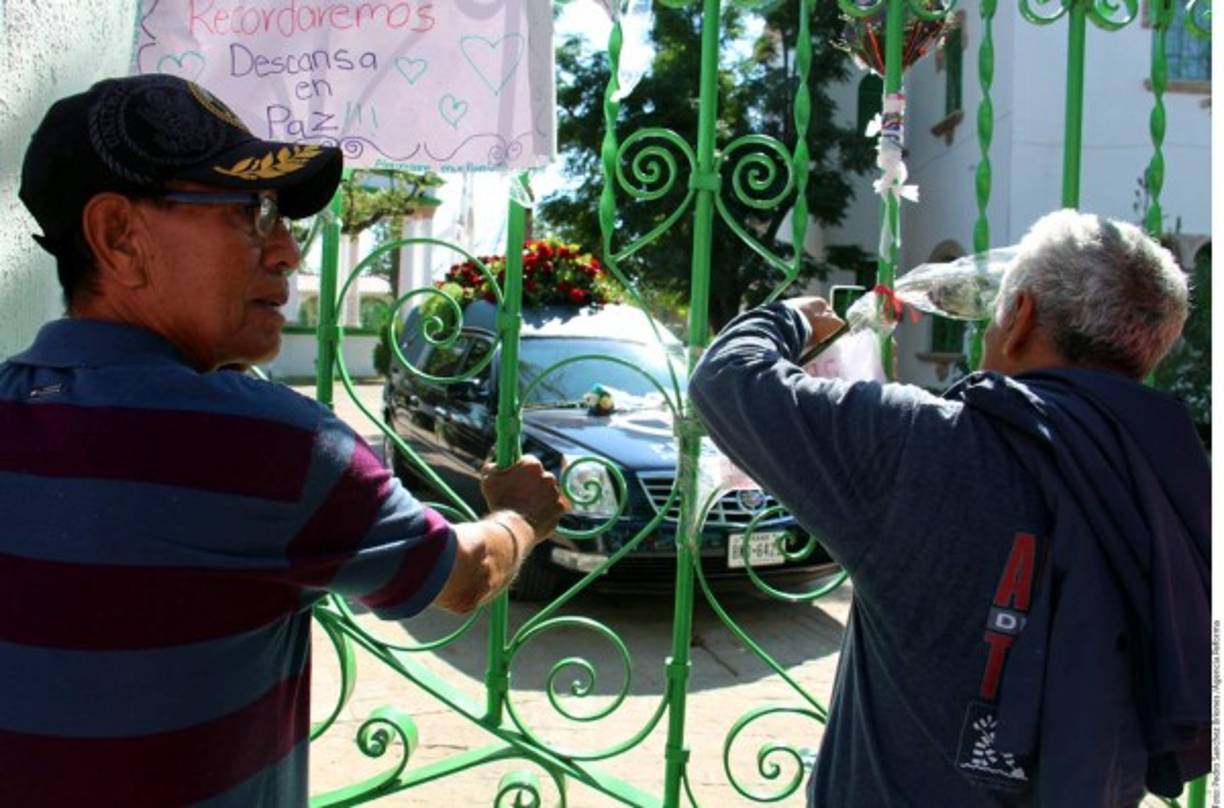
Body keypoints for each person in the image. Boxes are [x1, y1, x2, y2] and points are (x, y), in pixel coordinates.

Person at [0, 74, 568, 806]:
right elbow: (462, 578)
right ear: (119, 238)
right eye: (251, 213)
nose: (287, 253)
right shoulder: (266, 447)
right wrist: (521, 515)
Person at [690, 209, 1210, 807]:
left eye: (994, 314)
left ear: (1020, 318)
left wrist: (788, 319)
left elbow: (727, 381)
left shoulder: (927, 445)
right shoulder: (1175, 481)